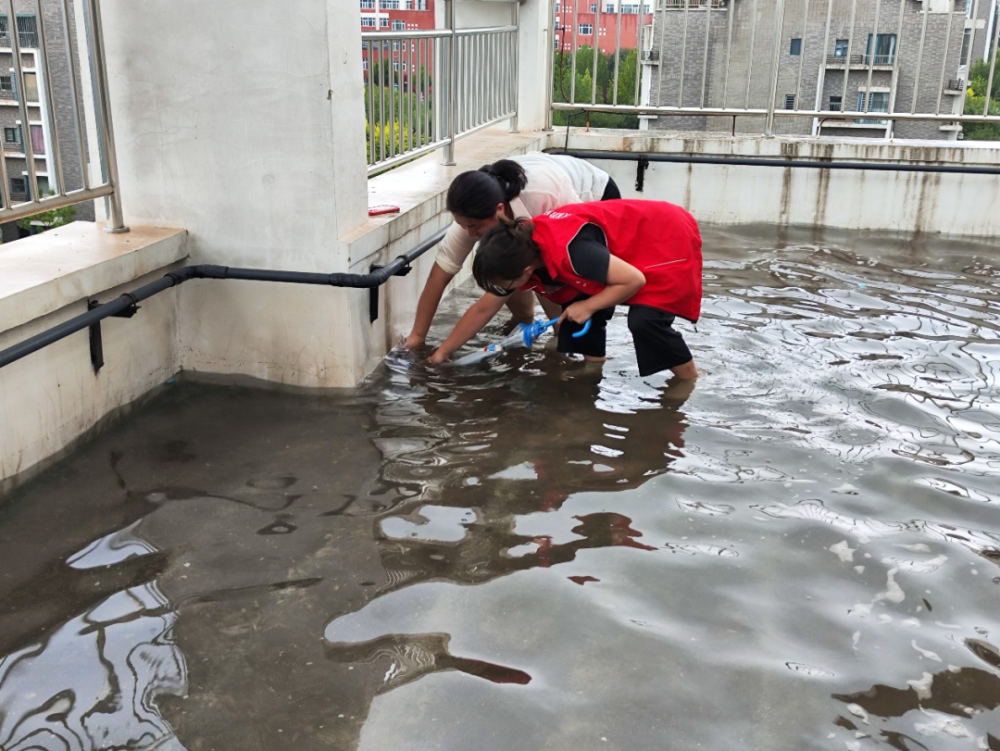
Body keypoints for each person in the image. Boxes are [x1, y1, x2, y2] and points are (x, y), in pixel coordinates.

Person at [403, 153, 620, 354]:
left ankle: (566, 348)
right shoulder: (471, 219)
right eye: (463, 225)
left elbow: (569, 258)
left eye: (475, 227)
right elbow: (437, 278)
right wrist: (417, 337)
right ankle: (526, 320)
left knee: (556, 282)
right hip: (531, 205)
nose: (470, 233)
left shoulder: (542, 196)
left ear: (499, 209)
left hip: (593, 196)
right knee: (504, 267)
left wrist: (443, 353)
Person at [467, 199, 702, 380]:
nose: (502, 290)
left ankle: (688, 379)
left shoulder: (573, 251)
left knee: (645, 321)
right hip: (633, 240)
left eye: (504, 285)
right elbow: (483, 309)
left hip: (667, 235)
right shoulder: (524, 245)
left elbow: (633, 281)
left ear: (526, 270)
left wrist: (588, 306)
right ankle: (593, 365)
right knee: (573, 299)